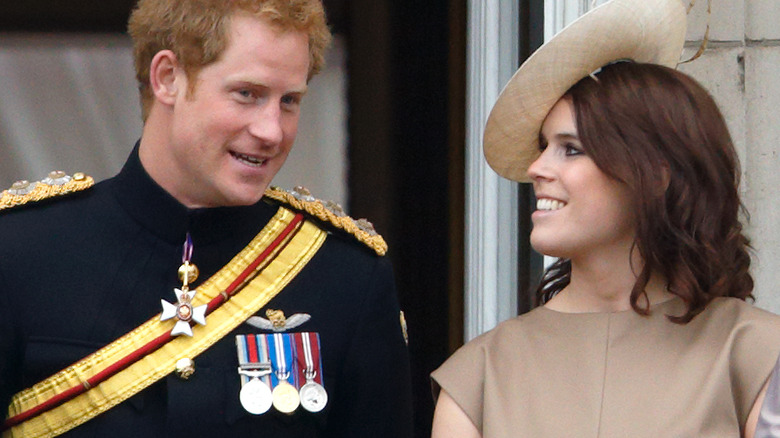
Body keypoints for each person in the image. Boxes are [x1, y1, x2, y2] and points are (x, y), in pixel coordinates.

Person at [0, 0, 412, 437]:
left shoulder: (347, 277)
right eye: (247, 94)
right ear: (167, 78)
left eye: (289, 100)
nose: (272, 130)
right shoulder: (20, 251)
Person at [430, 0, 780, 437]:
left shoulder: (757, 353)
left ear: (654, 174)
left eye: (570, 148)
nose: (537, 169)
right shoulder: (478, 376)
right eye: (543, 146)